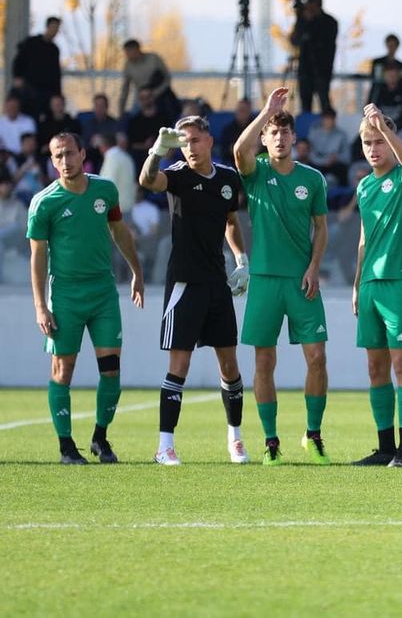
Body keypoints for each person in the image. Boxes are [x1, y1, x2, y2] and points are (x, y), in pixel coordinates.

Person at [137, 116, 249, 465]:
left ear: (209, 140)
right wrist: (158, 150)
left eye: (195, 140)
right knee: (179, 364)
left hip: (217, 282)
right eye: (183, 142)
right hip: (184, 282)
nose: (189, 147)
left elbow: (231, 221)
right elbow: (147, 180)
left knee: (229, 364)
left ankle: (235, 438)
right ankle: (164, 446)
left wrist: (242, 260)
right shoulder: (178, 175)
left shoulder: (228, 179)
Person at [27, 131, 144, 464]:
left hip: (103, 293)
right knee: (63, 370)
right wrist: (40, 306)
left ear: (82, 154)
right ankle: (66, 447)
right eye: (58, 156)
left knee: (111, 370)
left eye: (69, 153)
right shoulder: (44, 202)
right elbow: (37, 257)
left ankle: (100, 438)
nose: (65, 161)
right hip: (65, 296)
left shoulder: (104, 190)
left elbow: (119, 231)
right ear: (52, 161)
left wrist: (136, 270)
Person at [232, 87, 332, 466]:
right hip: (264, 282)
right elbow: (238, 153)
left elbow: (321, 228)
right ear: (265, 138)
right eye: (272, 132)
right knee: (263, 363)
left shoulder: (313, 179)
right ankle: (271, 441)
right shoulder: (256, 172)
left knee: (317, 357)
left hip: (301, 281)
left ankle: (314, 433)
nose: (278, 137)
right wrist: (266, 111)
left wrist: (313, 267)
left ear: (294, 137)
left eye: (284, 131)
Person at [349, 105, 402, 467]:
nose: (373, 148)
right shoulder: (364, 185)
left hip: (399, 283)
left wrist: (387, 129)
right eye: (368, 141)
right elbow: (365, 235)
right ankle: (384, 448)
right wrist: (356, 282)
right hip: (370, 285)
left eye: (379, 141)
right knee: (375, 369)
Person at [288, 0, 338, 114]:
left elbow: (323, 43)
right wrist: (302, 21)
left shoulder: (330, 22)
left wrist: (311, 22)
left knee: (324, 104)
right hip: (305, 70)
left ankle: (326, 128)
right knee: (305, 105)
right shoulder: (303, 21)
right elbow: (294, 41)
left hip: (322, 71)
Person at [11, 16, 63, 120]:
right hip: (29, 89)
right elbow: (18, 61)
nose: (55, 31)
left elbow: (56, 73)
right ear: (47, 27)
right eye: (53, 27)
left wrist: (58, 93)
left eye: (57, 29)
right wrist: (17, 76)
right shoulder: (32, 43)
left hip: (46, 92)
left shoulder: (54, 50)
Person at [117, 39, 178, 118]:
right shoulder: (128, 65)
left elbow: (167, 78)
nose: (126, 55)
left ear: (136, 49)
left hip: (161, 96)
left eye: (128, 52)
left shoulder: (153, 59)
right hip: (141, 98)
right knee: (134, 117)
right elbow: (125, 89)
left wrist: (155, 93)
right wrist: (121, 111)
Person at [125, 87, 174, 166]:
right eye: (142, 98)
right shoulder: (134, 121)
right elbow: (130, 144)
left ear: (153, 98)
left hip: (161, 156)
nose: (146, 100)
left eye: (148, 97)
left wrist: (156, 144)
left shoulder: (165, 118)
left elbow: (171, 139)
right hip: (140, 158)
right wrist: (145, 145)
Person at [368, 34, 402, 106]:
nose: (391, 48)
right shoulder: (378, 63)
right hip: (381, 96)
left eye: (393, 45)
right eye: (389, 45)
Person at [307, 108, 351, 186]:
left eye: (331, 119)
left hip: (334, 165)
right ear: (322, 119)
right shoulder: (314, 132)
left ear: (335, 119)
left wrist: (337, 158)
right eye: (326, 119)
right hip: (317, 163)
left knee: (341, 171)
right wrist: (323, 162)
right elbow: (310, 153)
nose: (328, 121)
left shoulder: (341, 135)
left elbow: (347, 157)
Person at [96, 132, 137, 214]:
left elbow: (107, 184)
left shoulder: (111, 157)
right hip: (128, 206)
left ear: (103, 146)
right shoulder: (127, 156)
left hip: (115, 210)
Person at [217, 99, 255, 165]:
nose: (241, 113)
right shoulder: (228, 129)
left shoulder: (256, 127)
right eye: (239, 110)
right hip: (233, 162)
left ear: (249, 111)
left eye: (244, 110)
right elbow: (225, 149)